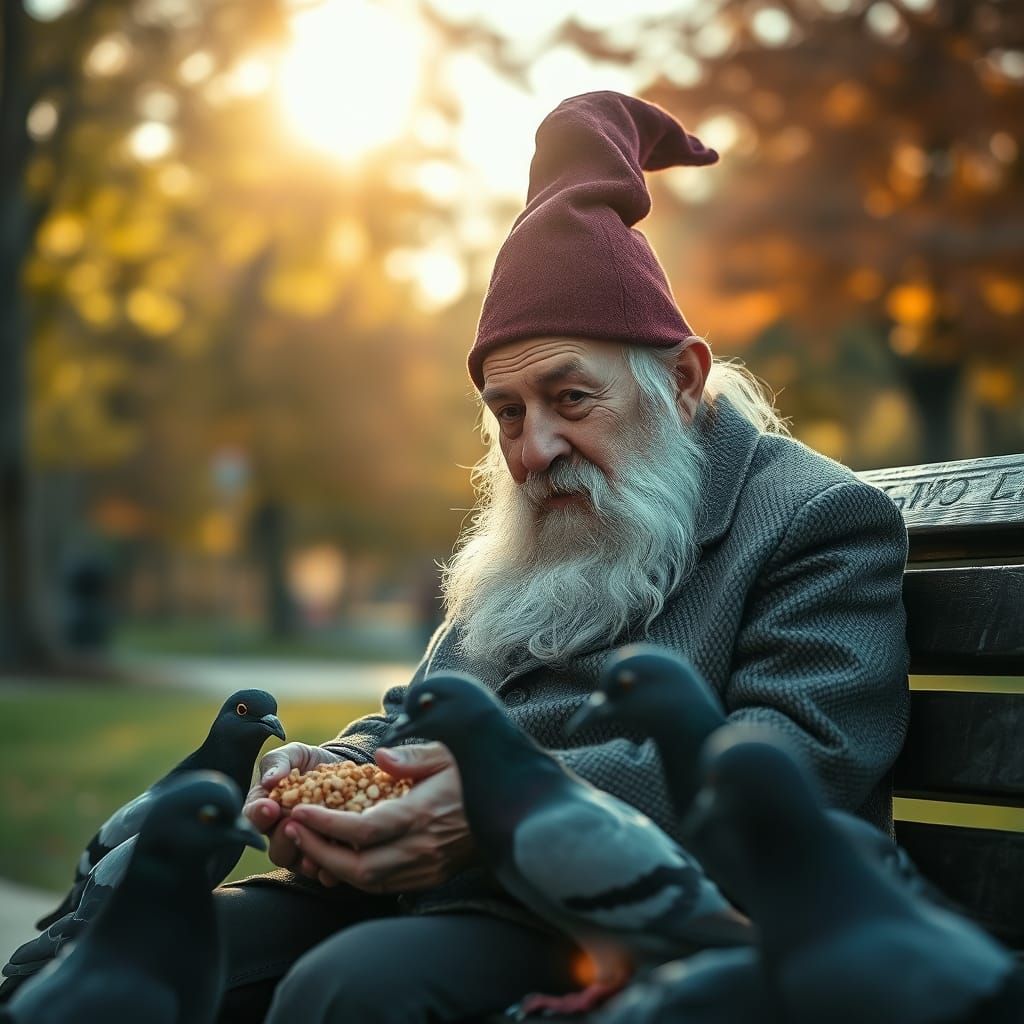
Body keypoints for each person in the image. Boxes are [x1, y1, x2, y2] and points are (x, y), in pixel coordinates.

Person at [215, 91, 910, 1024]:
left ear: (683, 378)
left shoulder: (815, 520)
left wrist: (496, 810)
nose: (531, 449)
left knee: (353, 989)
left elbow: (796, 760)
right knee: (178, 937)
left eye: (569, 398)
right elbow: (416, 723)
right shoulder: (534, 527)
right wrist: (326, 769)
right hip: (463, 893)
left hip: (670, 932)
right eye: (508, 412)